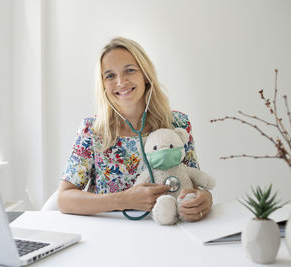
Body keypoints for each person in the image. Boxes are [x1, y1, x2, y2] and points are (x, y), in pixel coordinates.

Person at [58, 37, 213, 222]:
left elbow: (194, 185)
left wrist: (205, 200)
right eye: (109, 75)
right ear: (103, 84)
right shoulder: (92, 130)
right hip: (110, 236)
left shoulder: (178, 124)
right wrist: (122, 200)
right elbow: (64, 199)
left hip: (169, 232)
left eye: (129, 70)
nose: (121, 82)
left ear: (145, 76)